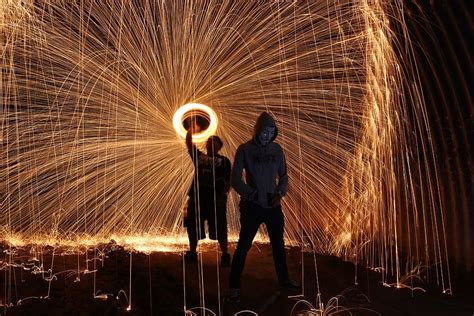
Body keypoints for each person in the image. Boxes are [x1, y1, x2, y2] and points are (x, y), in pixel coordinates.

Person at [228, 112, 300, 302]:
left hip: (272, 205)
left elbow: (284, 175)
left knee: (278, 245)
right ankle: (234, 286)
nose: (267, 135)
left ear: (274, 132)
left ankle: (284, 280)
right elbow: (235, 179)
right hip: (252, 206)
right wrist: (251, 195)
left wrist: (280, 193)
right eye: (264, 131)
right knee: (243, 246)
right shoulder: (244, 149)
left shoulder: (277, 150)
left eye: (271, 132)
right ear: (257, 130)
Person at [184, 121, 232, 267]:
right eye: (209, 142)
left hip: (214, 200)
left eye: (214, 142)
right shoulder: (199, 156)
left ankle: (225, 254)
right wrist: (192, 128)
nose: (211, 144)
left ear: (219, 146)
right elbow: (188, 142)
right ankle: (192, 252)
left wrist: (224, 195)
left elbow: (229, 180)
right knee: (193, 226)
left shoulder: (224, 161)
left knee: (220, 227)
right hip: (197, 198)